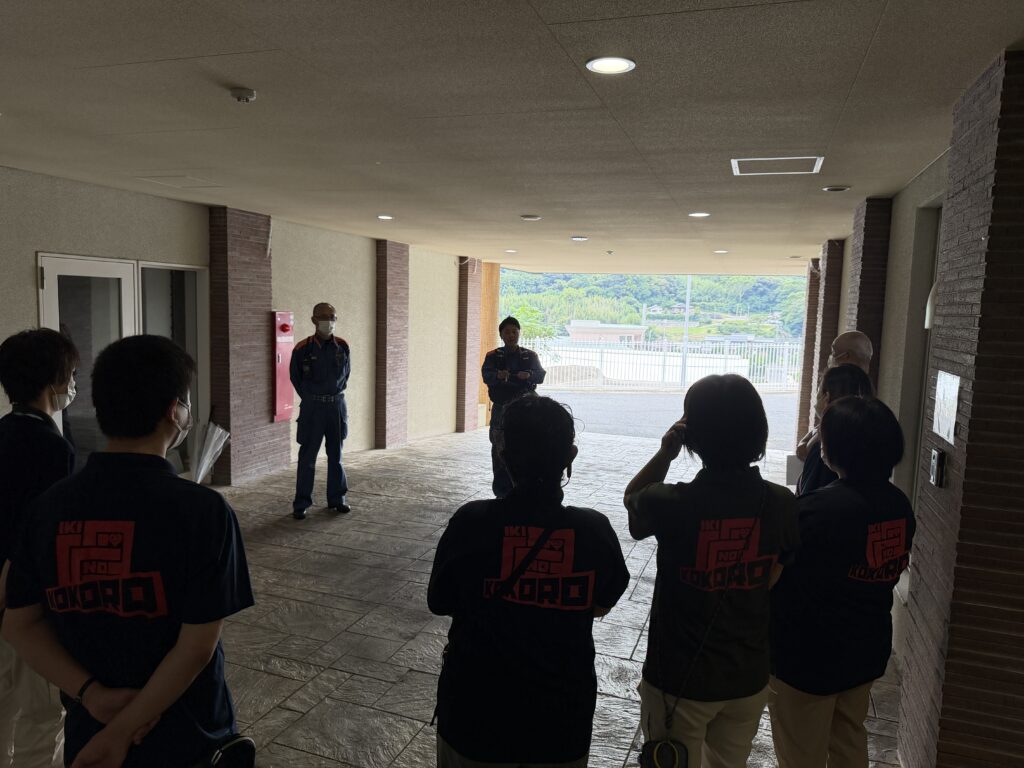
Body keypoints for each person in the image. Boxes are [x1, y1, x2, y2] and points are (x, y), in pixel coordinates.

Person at [2, 335, 254, 768]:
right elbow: (196, 646)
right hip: (187, 732)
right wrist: (123, 732)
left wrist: (91, 696)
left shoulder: (48, 509)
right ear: (174, 412)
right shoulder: (203, 511)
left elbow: (19, 624)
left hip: (89, 730)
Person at [428, 396, 630, 767]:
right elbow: (602, 602)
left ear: (503, 456)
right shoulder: (593, 531)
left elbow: (440, 601)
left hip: (474, 716)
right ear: (570, 456)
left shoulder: (472, 523)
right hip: (560, 723)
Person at [624, 374, 799, 768]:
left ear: (692, 435)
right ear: (758, 431)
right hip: (747, 675)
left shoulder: (671, 502)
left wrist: (665, 454)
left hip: (679, 679)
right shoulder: (781, 503)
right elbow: (773, 576)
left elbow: (632, 500)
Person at [770, 397, 914, 768]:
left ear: (840, 449)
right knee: (848, 738)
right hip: (865, 648)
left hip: (807, 656)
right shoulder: (899, 505)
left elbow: (773, 575)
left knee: (801, 753)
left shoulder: (815, 511)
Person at [0, 328, 79, 768]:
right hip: (27, 604)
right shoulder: (52, 448)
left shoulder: (2, 432)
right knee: (42, 714)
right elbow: (42, 537)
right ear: (55, 383)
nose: (74, 385)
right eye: (72, 376)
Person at [290, 302, 352, 520]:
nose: (329, 321)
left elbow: (346, 375)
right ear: (314, 320)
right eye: (324, 316)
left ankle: (338, 499)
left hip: (336, 407)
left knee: (336, 456)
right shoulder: (302, 349)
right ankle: (301, 503)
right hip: (313, 409)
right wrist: (312, 397)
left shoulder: (342, 346)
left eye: (332, 316)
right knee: (308, 457)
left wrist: (331, 396)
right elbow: (296, 378)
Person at [481, 316, 546, 498]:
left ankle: (526, 490)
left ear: (519, 333)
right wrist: (498, 376)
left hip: (525, 408)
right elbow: (486, 375)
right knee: (499, 449)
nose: (511, 335)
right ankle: (502, 494)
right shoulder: (493, 356)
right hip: (501, 408)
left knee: (528, 446)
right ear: (501, 335)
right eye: (507, 332)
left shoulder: (530, 356)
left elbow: (540, 375)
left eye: (514, 331)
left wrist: (529, 375)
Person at [796, 364, 874, 496]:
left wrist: (826, 418)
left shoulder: (825, 449)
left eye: (819, 392)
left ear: (826, 397)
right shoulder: (869, 436)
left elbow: (808, 501)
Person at [796, 330, 873, 461]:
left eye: (833, 352)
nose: (830, 357)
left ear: (846, 356)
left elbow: (805, 452)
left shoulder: (841, 386)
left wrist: (826, 418)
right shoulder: (868, 393)